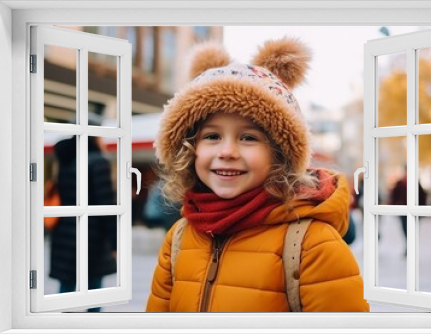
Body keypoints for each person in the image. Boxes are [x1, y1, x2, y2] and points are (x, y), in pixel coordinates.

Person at [146, 38, 369, 312]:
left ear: (279, 153)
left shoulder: (312, 247)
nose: (227, 151)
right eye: (212, 136)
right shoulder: (180, 238)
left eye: (248, 137)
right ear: (191, 148)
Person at [51, 134, 117, 312]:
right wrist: (115, 241)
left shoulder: (66, 160)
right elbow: (106, 205)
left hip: (65, 231)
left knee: (66, 288)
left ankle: (62, 327)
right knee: (94, 288)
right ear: (93, 138)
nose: (104, 141)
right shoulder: (97, 162)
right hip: (91, 234)